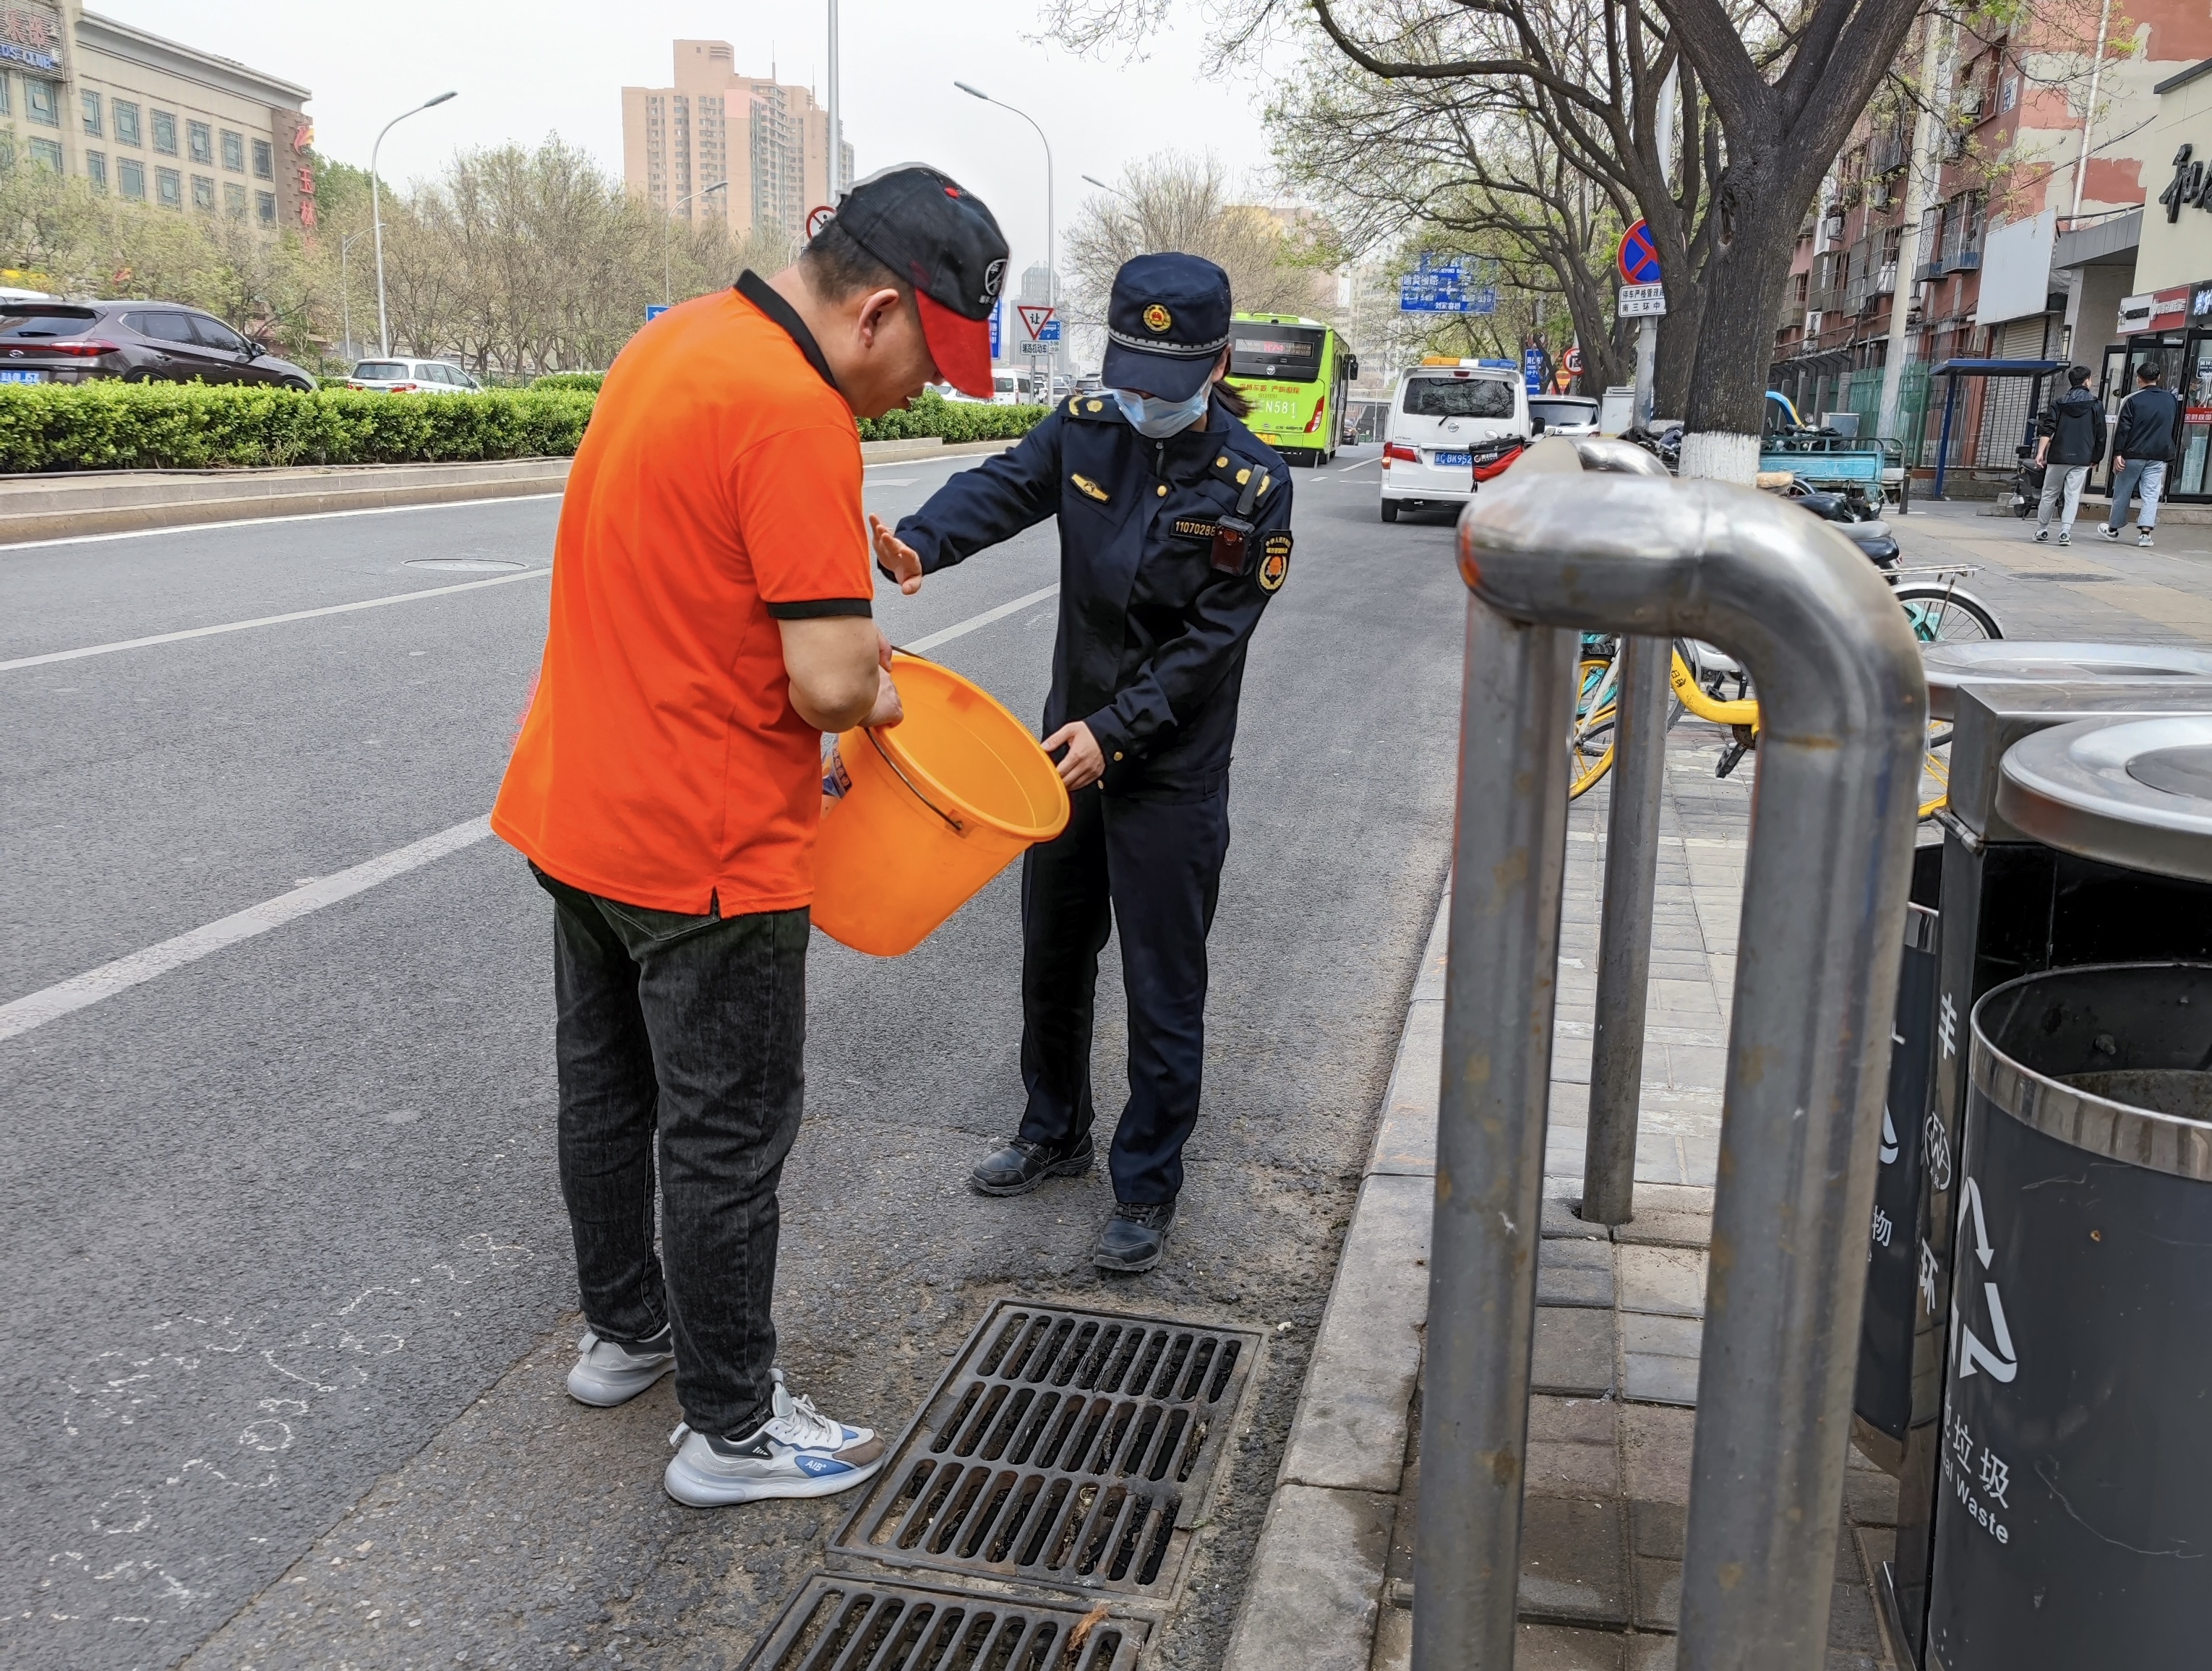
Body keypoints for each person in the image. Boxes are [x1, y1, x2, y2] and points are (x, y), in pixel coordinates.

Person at [489, 165, 1011, 1506]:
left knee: (608, 1092)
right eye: (928, 361)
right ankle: (731, 1428)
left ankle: (624, 1333)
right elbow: (833, 686)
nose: (922, 392)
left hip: (579, 807)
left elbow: (700, 586)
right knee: (729, 1130)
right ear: (878, 311)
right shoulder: (795, 411)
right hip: (707, 842)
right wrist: (884, 681)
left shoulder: (673, 340)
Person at [870, 254, 1294, 1274]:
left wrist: (1118, 731)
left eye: (1165, 381)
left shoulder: (1253, 487)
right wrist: (921, 543)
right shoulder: (1089, 426)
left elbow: (1207, 646)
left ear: (1217, 363)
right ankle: (1051, 1131)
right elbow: (1008, 485)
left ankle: (1146, 1186)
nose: (1142, 399)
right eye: (1131, 373)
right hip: (1058, 758)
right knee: (1053, 957)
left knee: (1163, 982)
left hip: (1166, 774)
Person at [2103, 361, 2179, 547]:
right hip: (2159, 455)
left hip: (2132, 454)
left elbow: (2123, 429)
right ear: (2158, 378)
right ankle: (2145, 534)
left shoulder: (2131, 400)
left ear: (2139, 379)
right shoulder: (2170, 399)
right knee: (2152, 494)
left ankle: (2113, 529)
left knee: (2123, 490)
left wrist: (2117, 454)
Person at [2033, 364, 2106, 546]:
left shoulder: (2058, 403)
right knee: (2072, 494)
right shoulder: (2096, 405)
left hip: (2058, 456)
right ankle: (2065, 532)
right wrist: (2097, 457)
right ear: (2087, 380)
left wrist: (2041, 453)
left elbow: (2047, 429)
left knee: (2049, 493)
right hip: (2082, 458)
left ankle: (2042, 530)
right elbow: (2101, 434)